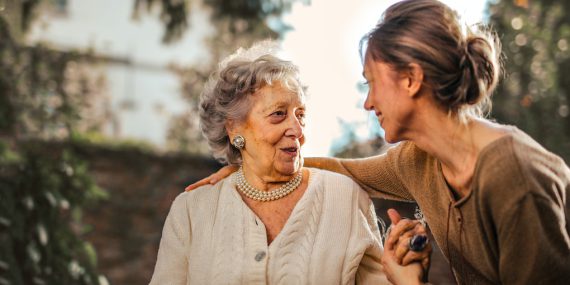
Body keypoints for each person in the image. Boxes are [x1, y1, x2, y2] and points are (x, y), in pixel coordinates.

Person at [185, 1, 570, 284]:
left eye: (371, 82)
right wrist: (247, 165)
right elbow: (340, 168)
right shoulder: (417, 160)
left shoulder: (514, 177)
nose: (368, 102)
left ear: (411, 79)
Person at [150, 41, 430, 284]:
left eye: (300, 114)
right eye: (278, 114)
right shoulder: (191, 211)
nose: (297, 129)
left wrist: (406, 274)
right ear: (234, 129)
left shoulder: (345, 197)